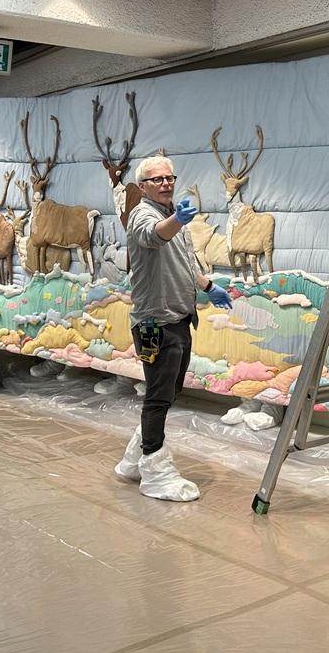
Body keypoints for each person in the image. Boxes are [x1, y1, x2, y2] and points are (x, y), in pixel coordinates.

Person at [114, 155, 232, 502]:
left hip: (180, 318)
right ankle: (154, 467)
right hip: (156, 324)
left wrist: (209, 286)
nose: (166, 183)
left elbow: (183, 263)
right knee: (158, 397)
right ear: (142, 186)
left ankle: (135, 456)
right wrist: (177, 222)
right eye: (157, 179)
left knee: (167, 392)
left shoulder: (170, 218)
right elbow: (153, 237)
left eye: (170, 177)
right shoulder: (143, 215)